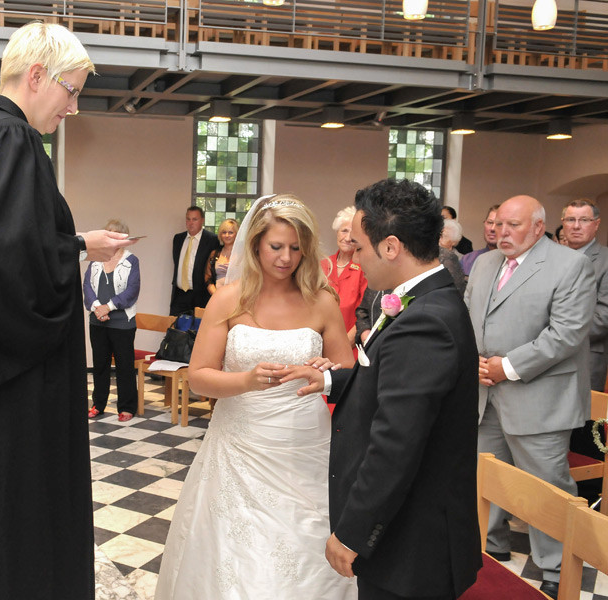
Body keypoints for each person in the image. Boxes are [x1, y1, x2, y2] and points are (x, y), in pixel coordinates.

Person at [0, 22, 133, 600]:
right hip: (14, 384)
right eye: (71, 90)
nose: (73, 106)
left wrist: (73, 240)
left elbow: (4, 243)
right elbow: (8, 263)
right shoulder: (11, 140)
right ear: (37, 75)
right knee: (18, 509)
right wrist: (73, 249)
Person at [156, 194, 356, 600]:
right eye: (276, 247)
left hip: (304, 444)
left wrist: (322, 375)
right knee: (236, 551)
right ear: (256, 244)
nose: (286, 258)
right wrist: (245, 381)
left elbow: (348, 372)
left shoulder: (321, 300)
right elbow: (198, 377)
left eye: (296, 248)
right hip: (240, 445)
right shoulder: (229, 299)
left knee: (306, 541)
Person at [302, 179, 482, 599]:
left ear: (390, 247)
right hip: (409, 536)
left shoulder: (426, 320)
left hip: (411, 544)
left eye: (361, 246)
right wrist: (331, 379)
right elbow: (396, 385)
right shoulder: (420, 299)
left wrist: (352, 533)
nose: (356, 256)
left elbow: (396, 442)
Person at [465, 194, 596, 599]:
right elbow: (468, 314)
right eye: (499, 224)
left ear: (538, 227)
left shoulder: (570, 264)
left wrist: (508, 366)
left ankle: (557, 565)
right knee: (483, 476)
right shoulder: (486, 262)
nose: (502, 233)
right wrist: (474, 362)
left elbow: (567, 332)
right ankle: (489, 546)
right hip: (485, 393)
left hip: (538, 395)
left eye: (513, 226)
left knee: (545, 485)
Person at [83, 218, 140, 422]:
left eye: (113, 234)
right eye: (107, 233)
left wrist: (109, 306)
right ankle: (98, 404)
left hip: (122, 323)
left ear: (122, 238)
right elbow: (87, 287)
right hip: (97, 320)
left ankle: (126, 407)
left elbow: (132, 291)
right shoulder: (95, 259)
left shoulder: (131, 261)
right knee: (100, 364)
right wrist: (97, 307)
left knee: (124, 366)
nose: (109, 237)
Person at [562, 198, 608, 392]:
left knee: (583, 421)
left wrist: (559, 337)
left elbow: (604, 316)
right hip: (543, 358)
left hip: (586, 355)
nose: (576, 226)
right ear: (563, 223)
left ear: (596, 224)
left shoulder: (605, 261)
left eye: (584, 220)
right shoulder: (550, 259)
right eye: (570, 220)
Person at [322, 206, 367, 350]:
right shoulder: (322, 265)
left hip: (350, 349)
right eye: (344, 231)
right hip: (320, 348)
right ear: (337, 232)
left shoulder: (364, 268)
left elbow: (365, 315)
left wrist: (341, 348)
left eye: (353, 233)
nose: (348, 238)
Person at [170, 206, 220, 315]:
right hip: (179, 294)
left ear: (202, 220)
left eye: (195, 219)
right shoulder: (178, 239)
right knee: (175, 329)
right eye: (188, 219)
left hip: (200, 296)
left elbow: (213, 269)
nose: (190, 223)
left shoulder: (212, 240)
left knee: (198, 330)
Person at [460, 205, 499, 276]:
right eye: (490, 222)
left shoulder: (512, 264)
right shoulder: (468, 260)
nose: (492, 229)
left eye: (499, 224)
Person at [205, 218, 238, 295]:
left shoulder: (244, 255)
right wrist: (216, 296)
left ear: (237, 234)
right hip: (217, 296)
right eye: (224, 232)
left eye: (230, 232)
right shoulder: (214, 254)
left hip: (238, 298)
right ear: (220, 234)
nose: (227, 235)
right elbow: (208, 277)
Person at [439, 219, 467, 295]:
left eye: (442, 236)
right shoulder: (431, 255)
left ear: (453, 242)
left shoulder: (461, 259)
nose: (438, 239)